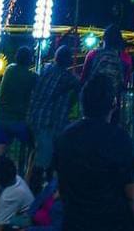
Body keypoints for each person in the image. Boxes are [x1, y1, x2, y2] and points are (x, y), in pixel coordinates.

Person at [54, 74, 134, 231]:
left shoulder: (65, 137)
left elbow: (61, 187)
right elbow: (132, 192)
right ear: (113, 104)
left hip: (73, 223)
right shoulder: (120, 139)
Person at [27, 45, 81, 184]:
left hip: (37, 118)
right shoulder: (65, 76)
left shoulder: (46, 70)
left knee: (47, 155)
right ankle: (36, 194)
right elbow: (80, 84)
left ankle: (40, 190)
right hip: (47, 121)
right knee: (45, 157)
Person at [0, 46, 38, 159]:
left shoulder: (9, 69)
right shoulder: (32, 77)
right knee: (36, 147)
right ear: (30, 60)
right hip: (18, 120)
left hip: (1, 117)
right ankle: (29, 173)